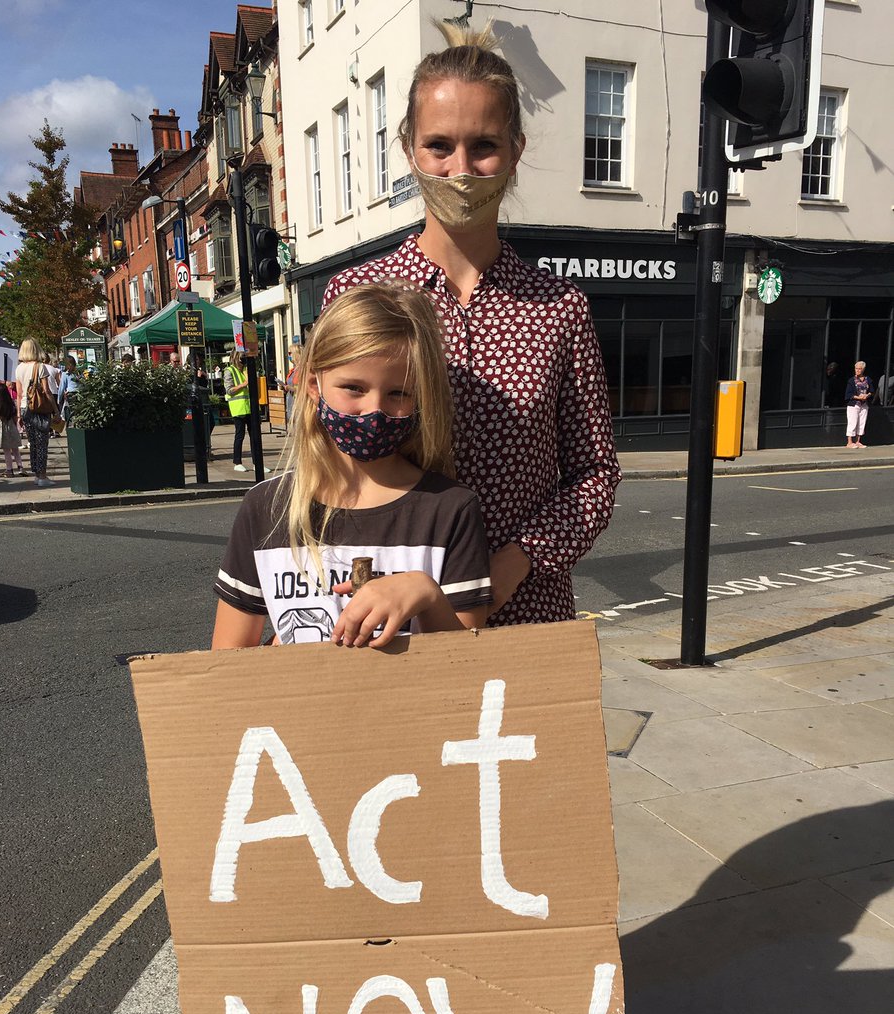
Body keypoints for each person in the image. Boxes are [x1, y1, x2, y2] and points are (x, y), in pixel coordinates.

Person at [324, 20, 620, 627]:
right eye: (440, 145)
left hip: (524, 609)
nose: (462, 168)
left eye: (483, 145)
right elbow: (324, 461)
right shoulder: (357, 294)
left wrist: (513, 563)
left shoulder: (558, 308)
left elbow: (595, 473)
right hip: (381, 618)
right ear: (409, 149)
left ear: (516, 150)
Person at [212, 282, 492, 650]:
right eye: (354, 388)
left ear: (421, 396)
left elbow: (471, 666)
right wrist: (274, 658)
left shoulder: (449, 509)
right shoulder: (266, 508)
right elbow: (227, 663)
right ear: (314, 385)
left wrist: (426, 594)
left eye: (398, 393)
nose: (374, 410)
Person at [15, 337, 58, 486]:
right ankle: (42, 476)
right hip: (39, 408)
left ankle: (36, 474)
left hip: (25, 408)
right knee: (42, 442)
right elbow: (47, 391)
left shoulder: (18, 368)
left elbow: (19, 394)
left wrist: (19, 414)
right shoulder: (40, 366)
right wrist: (56, 410)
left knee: (32, 442)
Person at [223, 349, 254, 473]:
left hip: (250, 407)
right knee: (239, 435)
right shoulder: (229, 371)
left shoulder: (246, 370)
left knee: (254, 437)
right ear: (236, 358)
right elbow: (229, 390)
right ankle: (237, 462)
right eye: (242, 357)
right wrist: (244, 384)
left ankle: (257, 463)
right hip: (238, 408)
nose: (244, 360)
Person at [0, 382, 25, 476]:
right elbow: (15, 418)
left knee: (7, 451)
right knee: (15, 449)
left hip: (2, 431)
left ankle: (9, 469)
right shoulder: (11, 404)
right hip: (12, 429)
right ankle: (20, 467)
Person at [844, 360, 874, 448]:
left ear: (863, 369)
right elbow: (848, 394)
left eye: (859, 369)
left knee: (861, 422)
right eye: (856, 368)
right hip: (854, 404)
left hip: (864, 404)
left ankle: (858, 441)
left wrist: (867, 395)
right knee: (852, 422)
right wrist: (858, 397)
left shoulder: (868, 379)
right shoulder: (851, 380)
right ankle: (849, 442)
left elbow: (872, 391)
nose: (857, 370)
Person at [284, 342, 302, 426]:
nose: (288, 355)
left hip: (299, 405)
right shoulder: (293, 370)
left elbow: (304, 388)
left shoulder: (303, 369)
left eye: (290, 353)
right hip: (291, 403)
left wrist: (291, 388)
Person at [57, 355, 79, 425]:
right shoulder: (77, 373)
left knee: (70, 413)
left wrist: (58, 400)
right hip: (78, 394)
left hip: (70, 394)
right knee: (77, 412)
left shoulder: (65, 374)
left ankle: (71, 426)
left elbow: (61, 387)